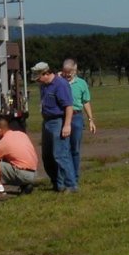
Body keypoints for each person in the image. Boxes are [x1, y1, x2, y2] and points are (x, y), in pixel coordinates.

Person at [30, 61, 76, 193]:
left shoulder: (60, 84)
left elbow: (68, 106)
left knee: (60, 155)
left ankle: (70, 184)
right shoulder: (44, 86)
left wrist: (66, 125)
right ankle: (56, 182)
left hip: (58, 122)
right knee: (47, 155)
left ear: (46, 73)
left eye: (39, 77)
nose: (38, 80)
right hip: (47, 121)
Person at [61, 59, 96, 187]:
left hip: (76, 116)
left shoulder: (82, 83)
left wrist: (90, 120)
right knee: (64, 149)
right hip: (62, 117)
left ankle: (74, 177)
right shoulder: (60, 82)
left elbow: (86, 102)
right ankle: (65, 178)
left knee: (74, 148)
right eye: (66, 72)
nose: (68, 74)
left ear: (75, 70)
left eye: (70, 72)